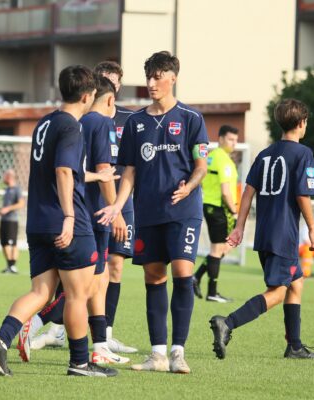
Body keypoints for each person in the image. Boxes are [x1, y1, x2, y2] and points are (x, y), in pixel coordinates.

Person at [0, 65, 118, 377]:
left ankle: (0, 339)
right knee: (77, 295)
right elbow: (62, 171)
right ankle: (81, 364)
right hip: (67, 222)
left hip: (38, 222)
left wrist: (97, 174)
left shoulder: (45, 123)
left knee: (41, 292)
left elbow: (63, 168)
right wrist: (70, 216)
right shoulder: (72, 127)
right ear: (87, 96)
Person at [96, 51, 209, 374]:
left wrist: (189, 186)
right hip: (147, 213)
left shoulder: (191, 118)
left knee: (183, 274)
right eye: (148, 76)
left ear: (173, 77)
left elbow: (201, 165)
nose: (151, 83)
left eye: (158, 76)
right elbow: (128, 170)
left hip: (183, 211)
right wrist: (118, 204)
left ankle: (178, 352)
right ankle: (157, 354)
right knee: (153, 277)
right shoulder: (136, 122)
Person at [209, 98, 314, 360]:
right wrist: (313, 228)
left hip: (264, 234)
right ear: (302, 123)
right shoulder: (304, 154)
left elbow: (248, 192)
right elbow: (303, 195)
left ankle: (294, 345)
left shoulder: (265, 154)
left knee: (296, 282)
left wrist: (239, 228)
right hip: (284, 235)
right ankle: (228, 322)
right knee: (278, 292)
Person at [95, 60, 137, 353]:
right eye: (105, 79)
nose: (111, 84)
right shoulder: (88, 116)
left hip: (124, 200)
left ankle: (106, 333)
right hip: (94, 200)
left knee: (116, 266)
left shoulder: (131, 119)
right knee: (86, 267)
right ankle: (59, 327)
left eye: (115, 80)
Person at [193, 125, 239, 303]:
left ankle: (196, 277)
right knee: (221, 248)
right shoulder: (225, 161)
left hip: (209, 205)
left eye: (235, 140)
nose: (233, 143)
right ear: (220, 139)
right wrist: (234, 211)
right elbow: (226, 191)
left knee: (220, 249)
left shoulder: (210, 157)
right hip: (222, 208)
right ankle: (212, 292)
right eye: (230, 139)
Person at [0, 169, 25, 274]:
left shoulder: (17, 189)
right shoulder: (6, 190)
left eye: (4, 175)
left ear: (9, 177)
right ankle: (9, 265)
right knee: (4, 243)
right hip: (4, 220)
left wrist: (8, 209)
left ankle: (12, 266)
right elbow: (4, 207)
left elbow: (21, 204)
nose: (3, 178)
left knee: (12, 243)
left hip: (12, 221)